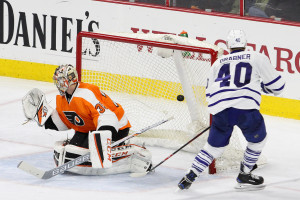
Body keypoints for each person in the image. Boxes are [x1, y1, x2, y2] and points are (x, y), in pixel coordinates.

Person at [177, 29, 285, 190]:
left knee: (213, 148)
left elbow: (209, 92)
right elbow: (278, 87)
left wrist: (222, 111)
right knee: (258, 140)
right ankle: (245, 174)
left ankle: (190, 174)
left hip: (220, 110)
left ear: (228, 46)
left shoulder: (218, 63)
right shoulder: (256, 57)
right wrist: (263, 87)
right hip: (246, 110)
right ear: (245, 44)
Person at [22, 64, 152, 175]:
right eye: (57, 81)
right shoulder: (62, 99)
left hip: (117, 127)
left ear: (70, 80)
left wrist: (101, 137)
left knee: (98, 155)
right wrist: (44, 118)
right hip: (90, 128)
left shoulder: (88, 93)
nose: (58, 84)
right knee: (72, 152)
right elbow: (64, 122)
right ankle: (105, 145)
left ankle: (134, 151)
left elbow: (108, 116)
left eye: (61, 80)